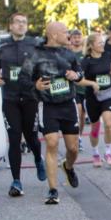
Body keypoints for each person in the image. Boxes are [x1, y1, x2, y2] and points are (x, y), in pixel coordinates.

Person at [29, 21, 87, 205]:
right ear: (54, 35)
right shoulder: (36, 55)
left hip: (68, 104)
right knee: (52, 143)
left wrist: (76, 76)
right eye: (65, 32)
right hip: (48, 106)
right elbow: (24, 79)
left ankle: (68, 166)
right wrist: (35, 85)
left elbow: (80, 73)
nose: (68, 35)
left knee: (73, 148)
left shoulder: (69, 54)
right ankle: (53, 190)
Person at [0, 12, 45, 197]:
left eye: (24, 22)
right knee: (14, 138)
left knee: (31, 137)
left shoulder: (35, 44)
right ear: (11, 26)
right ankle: (16, 181)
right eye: (18, 22)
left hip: (30, 97)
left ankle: (38, 158)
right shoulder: (1, 45)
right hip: (10, 99)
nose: (22, 25)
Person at [81, 31, 111, 169]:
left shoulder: (106, 55)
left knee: (108, 124)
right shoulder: (86, 61)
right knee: (95, 127)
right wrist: (92, 83)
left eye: (103, 42)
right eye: (99, 43)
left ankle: (108, 153)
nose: (102, 45)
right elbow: (79, 80)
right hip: (92, 98)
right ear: (91, 46)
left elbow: (109, 69)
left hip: (107, 95)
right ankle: (95, 154)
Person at [68, 29, 87, 152]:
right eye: (74, 37)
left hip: (86, 87)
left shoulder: (86, 52)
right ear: (70, 39)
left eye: (78, 37)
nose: (76, 39)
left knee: (83, 115)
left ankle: (79, 135)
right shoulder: (68, 53)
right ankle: (78, 138)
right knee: (78, 111)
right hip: (74, 88)